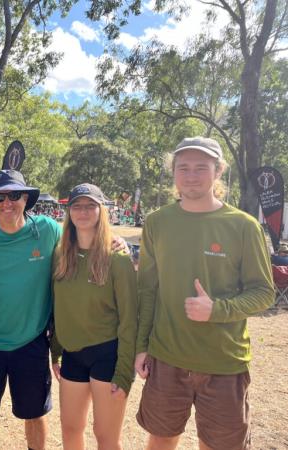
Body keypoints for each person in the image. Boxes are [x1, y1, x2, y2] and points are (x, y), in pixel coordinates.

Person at [134, 137, 275, 450]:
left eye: (201, 167)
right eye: (183, 167)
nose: (191, 175)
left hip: (223, 362)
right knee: (160, 440)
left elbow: (264, 292)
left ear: (219, 170)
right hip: (167, 358)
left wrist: (218, 309)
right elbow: (147, 291)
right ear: (174, 172)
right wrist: (141, 347)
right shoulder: (158, 222)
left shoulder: (244, 226)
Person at [0, 170, 61, 450]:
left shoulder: (48, 230)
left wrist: (115, 244)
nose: (7, 203)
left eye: (15, 195)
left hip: (31, 341)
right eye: (0, 197)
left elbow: (82, 245)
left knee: (34, 413)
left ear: (26, 199)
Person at [51, 183, 137, 450]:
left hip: (107, 354)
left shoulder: (118, 258)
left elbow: (129, 318)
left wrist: (125, 372)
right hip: (72, 354)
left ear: (102, 211)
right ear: (69, 212)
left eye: (91, 206)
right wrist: (55, 350)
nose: (83, 212)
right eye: (77, 206)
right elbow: (57, 307)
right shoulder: (60, 256)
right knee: (70, 429)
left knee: (105, 435)